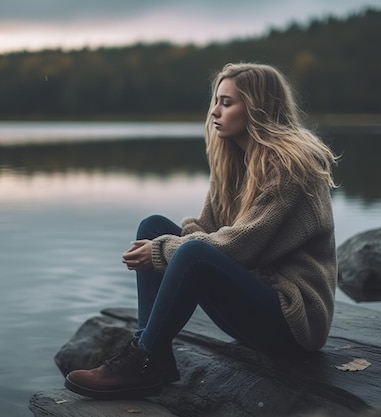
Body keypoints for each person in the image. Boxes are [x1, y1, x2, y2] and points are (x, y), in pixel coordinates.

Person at [64, 62, 338, 399]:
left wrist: (165, 251)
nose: (215, 112)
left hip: (292, 321)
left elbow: (240, 246)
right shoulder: (236, 159)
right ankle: (155, 356)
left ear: (257, 109)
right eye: (215, 101)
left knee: (186, 251)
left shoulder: (292, 165)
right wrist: (166, 243)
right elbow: (210, 228)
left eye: (227, 103)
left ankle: (141, 358)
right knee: (153, 228)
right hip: (253, 303)